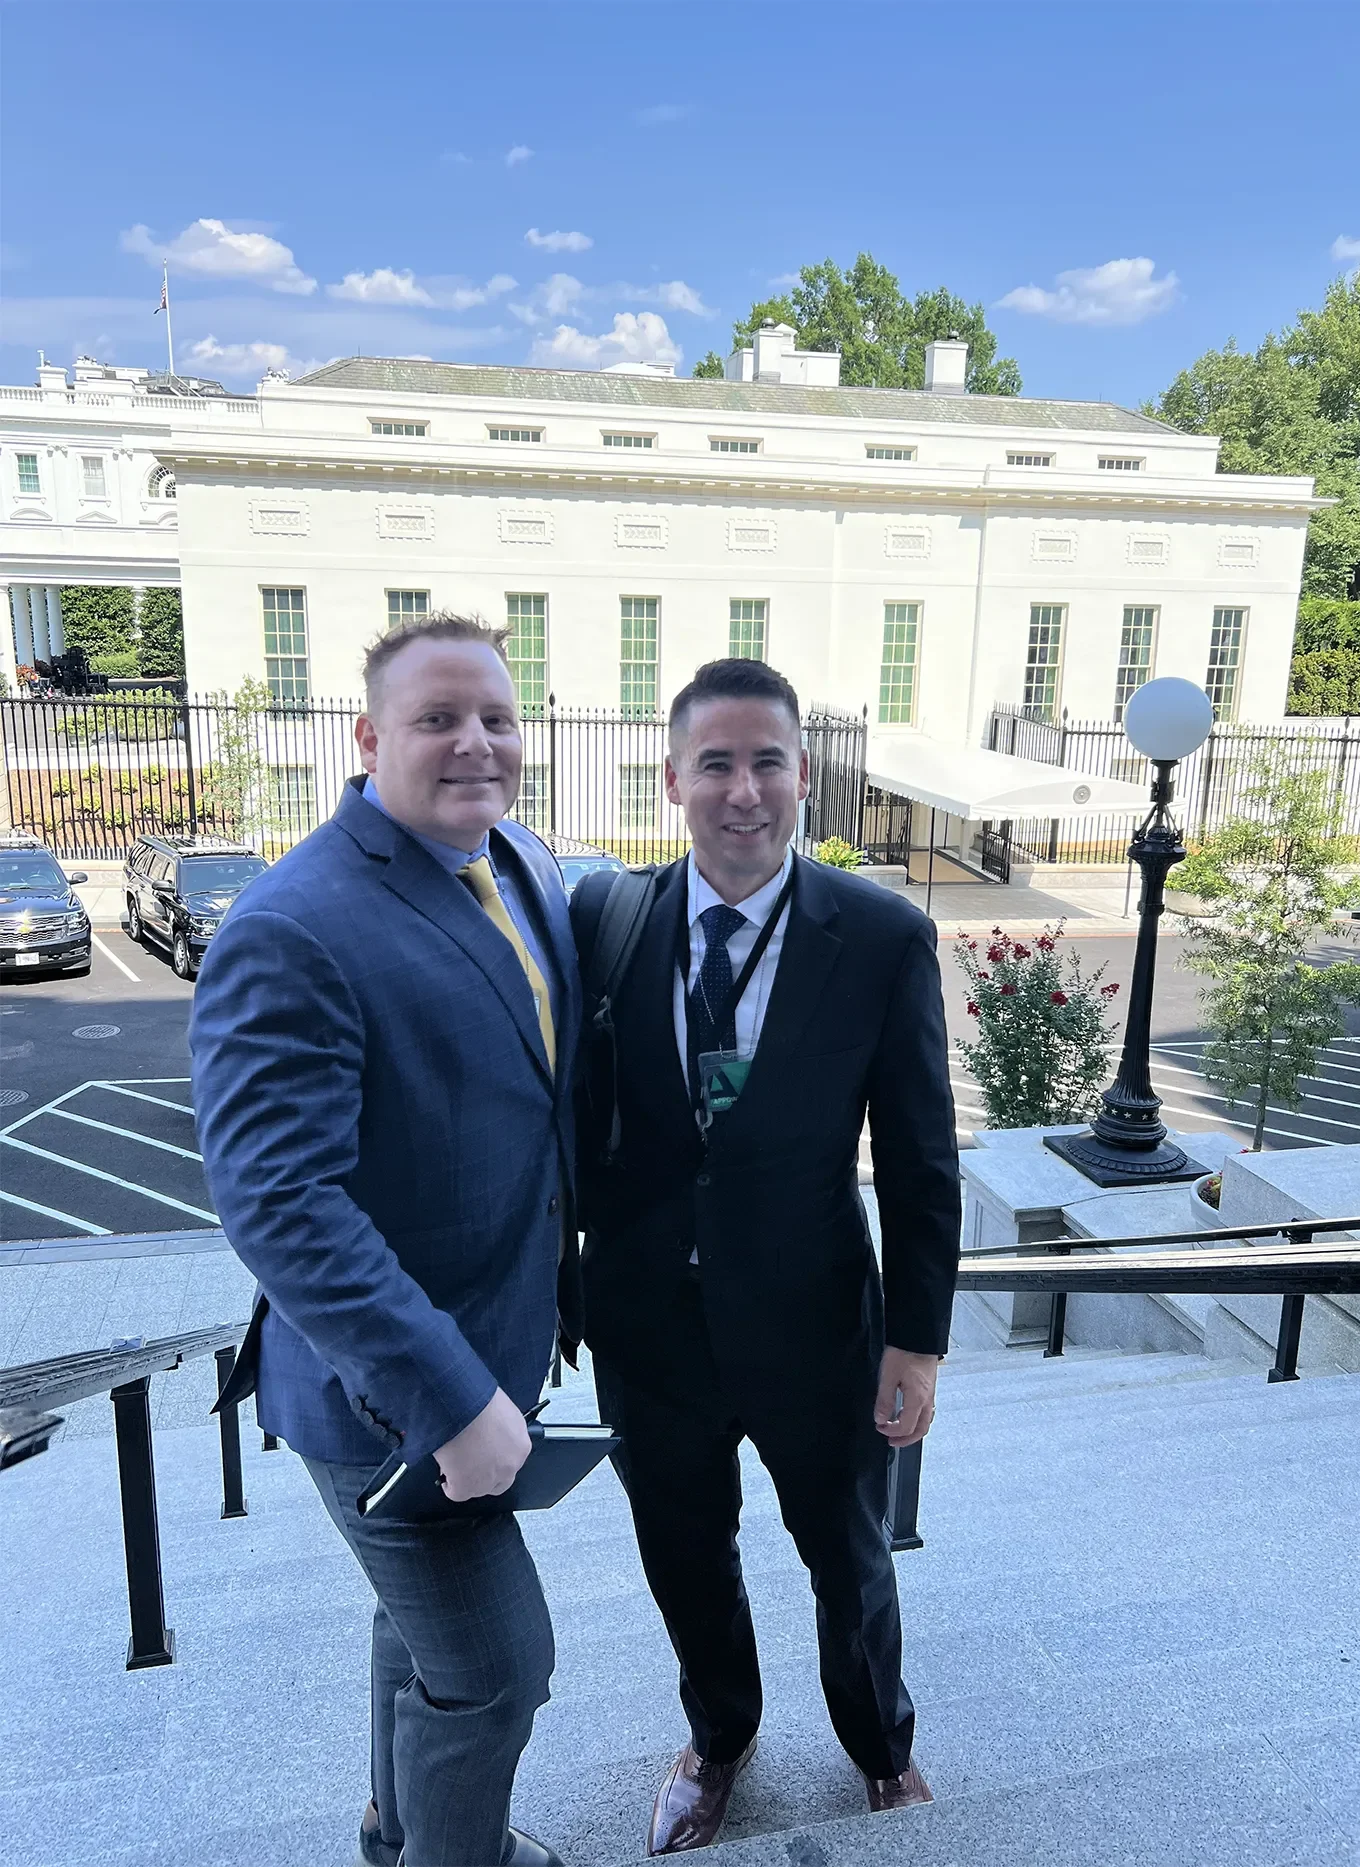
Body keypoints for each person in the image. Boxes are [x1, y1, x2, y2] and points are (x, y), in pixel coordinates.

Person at [190, 612, 580, 1867]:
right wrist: (452, 1399)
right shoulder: (291, 924)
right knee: (498, 1666)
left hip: (492, 1339)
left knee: (419, 1634)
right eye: (436, 720)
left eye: (496, 719)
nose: (474, 743)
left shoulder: (516, 857)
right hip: (390, 1394)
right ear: (366, 739)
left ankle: (394, 1825)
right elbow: (278, 1202)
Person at [571, 658, 962, 1856]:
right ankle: (719, 1738)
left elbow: (918, 1154)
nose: (743, 791)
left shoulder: (882, 934)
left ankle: (880, 1748)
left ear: (803, 775)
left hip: (812, 1324)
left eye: (767, 763)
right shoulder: (607, 915)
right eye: (716, 765)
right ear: (674, 777)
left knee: (845, 1560)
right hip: (649, 1329)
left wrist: (917, 1340)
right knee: (684, 1557)